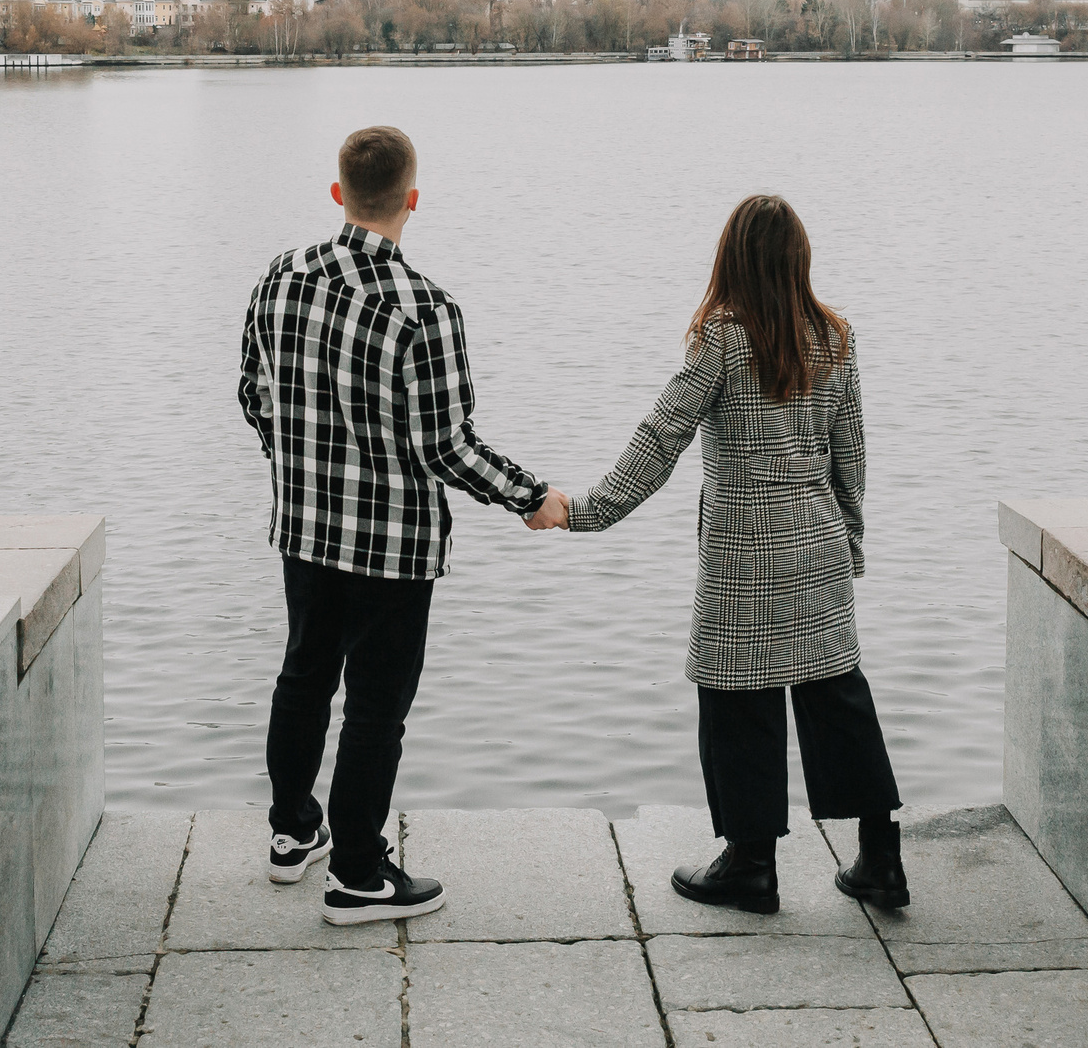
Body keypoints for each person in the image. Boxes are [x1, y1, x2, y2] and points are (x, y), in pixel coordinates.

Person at [538, 193, 908, 914]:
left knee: (737, 699)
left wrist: (584, 510)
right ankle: (881, 859)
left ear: (730, 258)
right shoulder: (836, 335)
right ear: (800, 258)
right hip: (820, 541)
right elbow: (852, 454)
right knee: (838, 697)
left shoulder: (722, 339)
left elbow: (661, 435)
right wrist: (850, 547)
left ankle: (750, 862)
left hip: (745, 555)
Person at [240, 125, 565, 925]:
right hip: (392, 544)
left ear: (337, 193)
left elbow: (254, 393)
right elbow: (445, 445)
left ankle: (292, 833)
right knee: (376, 708)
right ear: (411, 201)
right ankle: (357, 873)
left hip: (305, 528)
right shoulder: (425, 308)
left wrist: (303, 462)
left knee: (303, 677)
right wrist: (530, 495)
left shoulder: (280, 275)